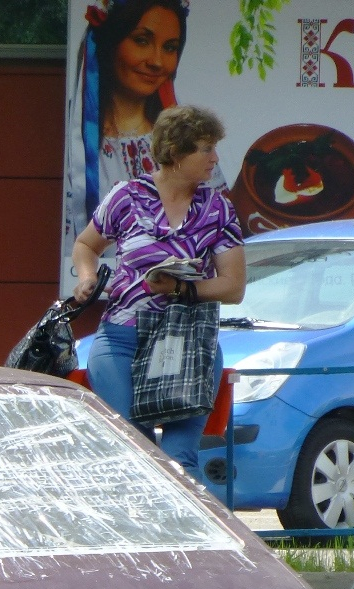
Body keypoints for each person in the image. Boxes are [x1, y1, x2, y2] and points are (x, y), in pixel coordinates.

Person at [72, 105, 246, 483]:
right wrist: (86, 277)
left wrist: (183, 287)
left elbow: (233, 286)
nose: (215, 158)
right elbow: (86, 245)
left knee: (178, 459)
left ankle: (190, 540)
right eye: (205, 149)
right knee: (133, 449)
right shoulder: (127, 196)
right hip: (122, 337)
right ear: (176, 153)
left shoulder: (217, 209)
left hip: (187, 340)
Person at [61, 0, 227, 289]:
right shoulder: (80, 146)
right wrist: (88, 278)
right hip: (123, 307)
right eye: (142, 40)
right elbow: (84, 244)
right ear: (111, 43)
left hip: (184, 313)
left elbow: (227, 257)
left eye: (170, 47)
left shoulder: (187, 146)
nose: (157, 61)